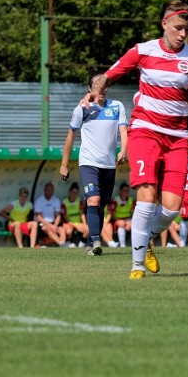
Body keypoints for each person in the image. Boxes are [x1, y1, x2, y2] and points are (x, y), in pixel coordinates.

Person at [83, 0, 188, 279]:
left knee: (171, 209)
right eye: (178, 28)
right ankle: (136, 266)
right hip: (145, 131)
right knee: (146, 198)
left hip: (178, 139)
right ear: (164, 23)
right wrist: (97, 89)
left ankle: (144, 239)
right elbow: (109, 75)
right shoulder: (143, 50)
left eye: (187, 29)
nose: (183, 34)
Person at [60, 74, 128, 256]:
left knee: (101, 206)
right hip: (89, 163)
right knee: (93, 200)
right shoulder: (82, 108)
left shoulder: (117, 106)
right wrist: (64, 164)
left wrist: (123, 150)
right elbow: (70, 136)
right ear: (90, 89)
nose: (102, 89)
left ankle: (91, 244)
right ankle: (97, 240)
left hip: (109, 165)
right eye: (98, 86)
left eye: (104, 85)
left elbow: (123, 130)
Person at [34, 182, 66, 247]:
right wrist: (51, 225)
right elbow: (39, 217)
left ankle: (62, 244)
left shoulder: (56, 200)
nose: (50, 192)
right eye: (48, 190)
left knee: (62, 229)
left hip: (53, 223)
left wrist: (55, 225)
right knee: (48, 228)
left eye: (51, 190)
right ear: (45, 190)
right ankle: (61, 245)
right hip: (43, 223)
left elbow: (58, 216)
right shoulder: (39, 201)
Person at [103, 182, 134, 248]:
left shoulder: (131, 200)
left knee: (135, 224)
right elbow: (111, 214)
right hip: (117, 220)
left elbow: (134, 213)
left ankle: (136, 245)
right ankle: (122, 245)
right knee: (121, 223)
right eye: (123, 190)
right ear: (120, 191)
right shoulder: (115, 200)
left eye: (127, 190)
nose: (125, 192)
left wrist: (131, 222)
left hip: (128, 219)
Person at [61, 183, 89, 248]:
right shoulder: (64, 202)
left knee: (88, 229)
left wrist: (84, 223)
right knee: (68, 231)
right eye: (73, 192)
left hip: (78, 223)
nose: (74, 194)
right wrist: (75, 225)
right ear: (70, 192)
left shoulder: (79, 201)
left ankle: (81, 245)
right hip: (68, 223)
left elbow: (82, 213)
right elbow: (65, 218)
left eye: (76, 192)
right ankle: (68, 244)